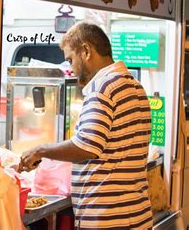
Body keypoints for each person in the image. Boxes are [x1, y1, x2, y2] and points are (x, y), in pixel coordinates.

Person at [19, 22, 153, 229]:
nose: (71, 69)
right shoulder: (134, 86)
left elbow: (86, 146)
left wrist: (40, 150)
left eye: (71, 59)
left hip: (108, 219)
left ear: (86, 51)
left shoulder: (103, 88)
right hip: (137, 214)